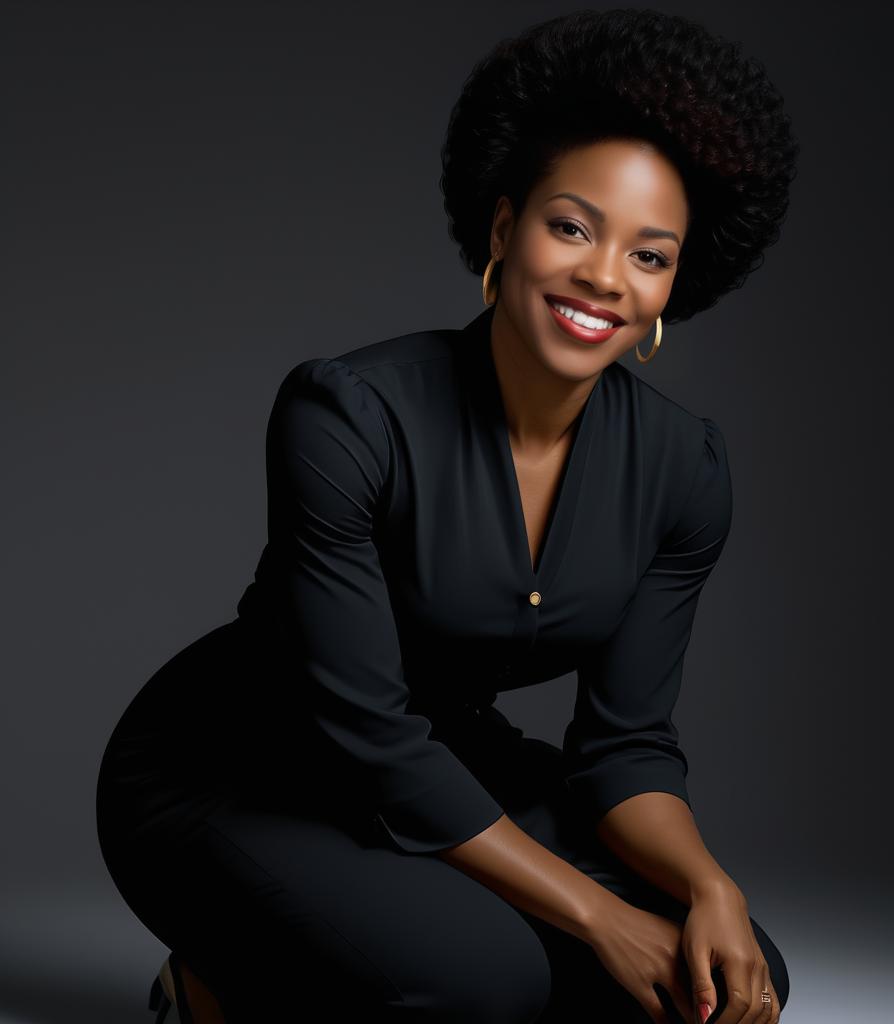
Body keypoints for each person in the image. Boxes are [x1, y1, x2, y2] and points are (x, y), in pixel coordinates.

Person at [95, 8, 799, 1023]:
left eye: (649, 255)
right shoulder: (348, 413)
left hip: (444, 755)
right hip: (235, 765)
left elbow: (626, 747)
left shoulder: (684, 470)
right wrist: (597, 918)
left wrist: (708, 886)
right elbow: (370, 736)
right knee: (485, 980)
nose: (604, 275)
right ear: (504, 228)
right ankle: (210, 988)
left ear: (673, 286)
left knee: (729, 971)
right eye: (572, 226)